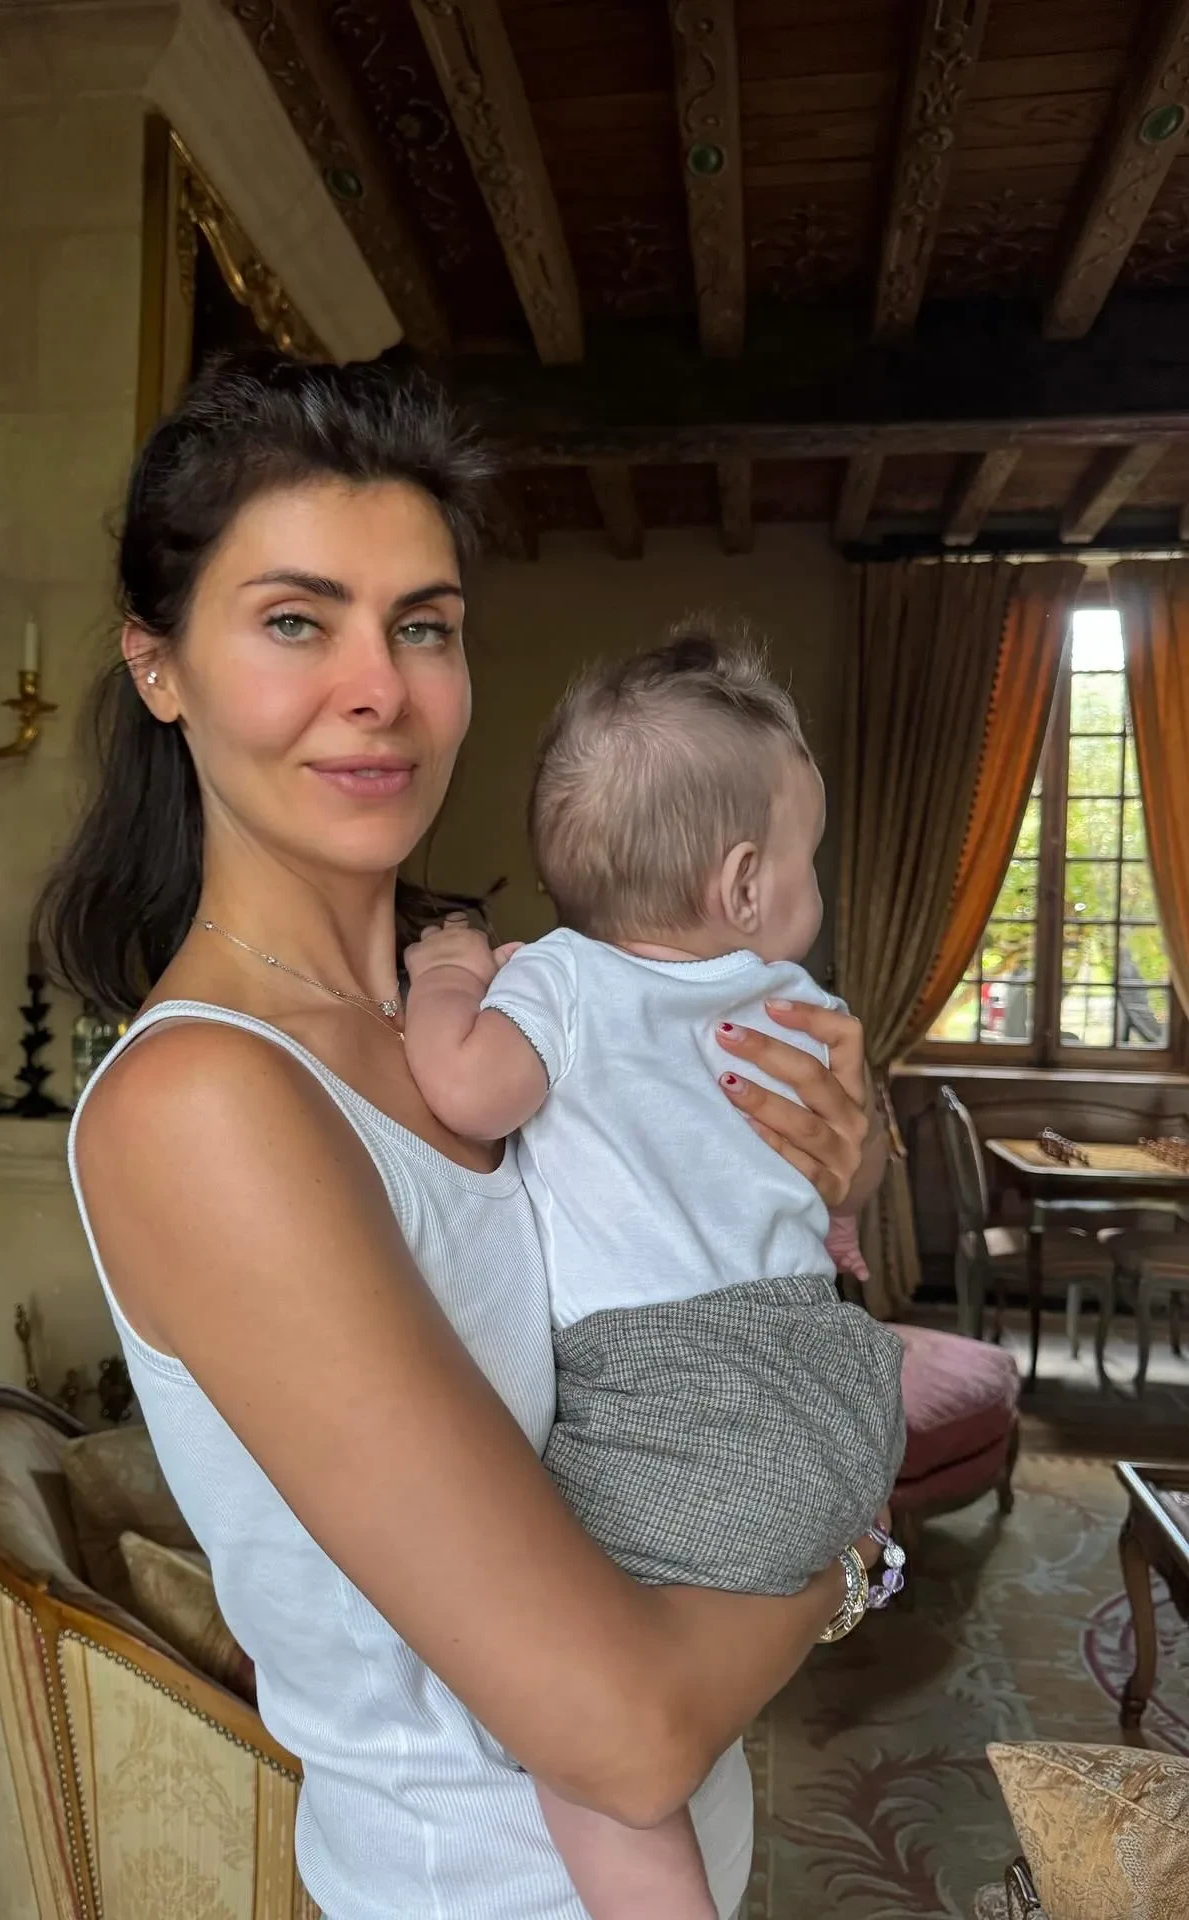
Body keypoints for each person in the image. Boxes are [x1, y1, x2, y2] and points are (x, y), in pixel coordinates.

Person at [44, 352, 885, 1920]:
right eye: (298, 621)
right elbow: (623, 1735)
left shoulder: (501, 1012)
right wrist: (850, 1544)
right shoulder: (205, 1103)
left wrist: (835, 1175)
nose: (381, 686)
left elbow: (727, 1288)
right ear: (159, 667)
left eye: (422, 625)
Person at [402, 634, 905, 1919]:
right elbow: (836, 1168)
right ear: (741, 884)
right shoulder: (794, 1005)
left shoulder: (562, 980)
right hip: (837, 1401)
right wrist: (851, 1204)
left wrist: (449, 975)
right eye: (808, 858)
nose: (813, 887)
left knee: (568, 1709)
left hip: (677, 1410)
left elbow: (465, 1088)